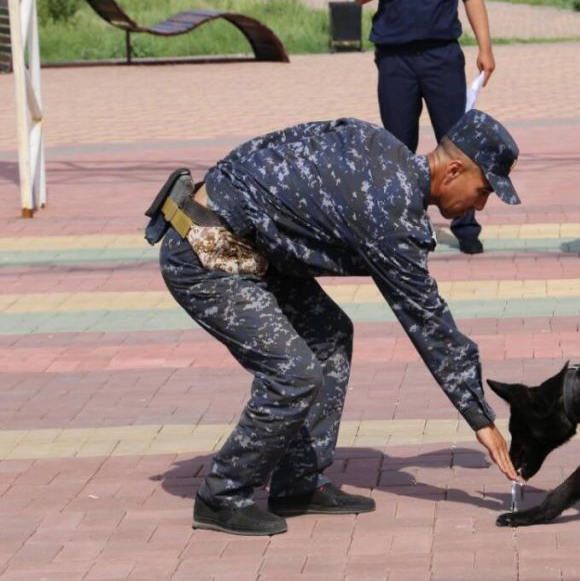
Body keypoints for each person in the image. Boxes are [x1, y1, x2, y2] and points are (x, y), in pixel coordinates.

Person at [154, 110, 520, 537]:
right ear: (454, 170)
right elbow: (429, 322)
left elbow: (284, 141)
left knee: (329, 334)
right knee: (292, 374)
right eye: (482, 190)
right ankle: (223, 494)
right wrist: (481, 419)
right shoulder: (391, 214)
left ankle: (299, 483)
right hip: (204, 253)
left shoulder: (382, 147)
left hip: (253, 246)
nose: (479, 205)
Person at [353, 0, 495, 255]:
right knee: (398, 147)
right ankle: (404, 226)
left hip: (441, 56)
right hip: (395, 59)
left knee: (456, 144)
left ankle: (465, 225)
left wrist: (485, 47)